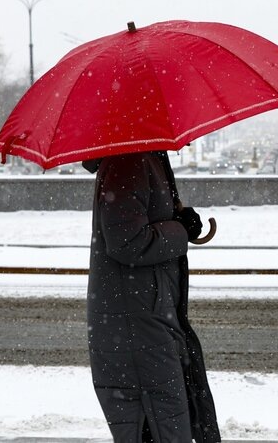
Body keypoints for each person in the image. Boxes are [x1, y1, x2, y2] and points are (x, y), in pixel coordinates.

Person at [83, 151, 220, 442]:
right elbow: (128, 242)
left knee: (168, 425)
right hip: (138, 326)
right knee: (160, 429)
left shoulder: (144, 155)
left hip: (145, 319)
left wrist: (176, 218)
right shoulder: (129, 159)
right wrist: (180, 229)